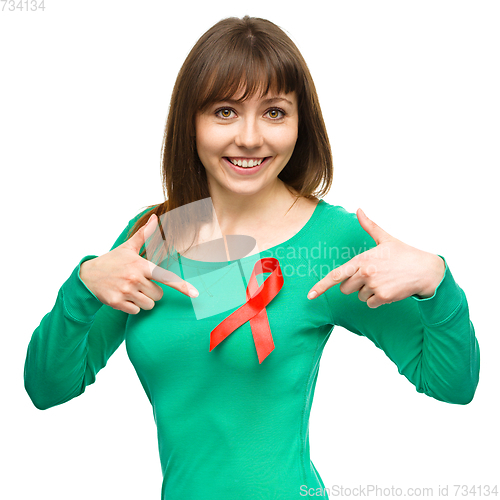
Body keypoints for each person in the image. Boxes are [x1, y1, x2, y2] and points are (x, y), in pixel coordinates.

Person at [24, 15, 480, 499]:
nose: (249, 137)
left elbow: (451, 384)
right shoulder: (159, 233)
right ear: (191, 122)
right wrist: (83, 286)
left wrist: (438, 283)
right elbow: (48, 388)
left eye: (275, 112)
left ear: (301, 124)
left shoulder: (331, 240)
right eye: (224, 111)